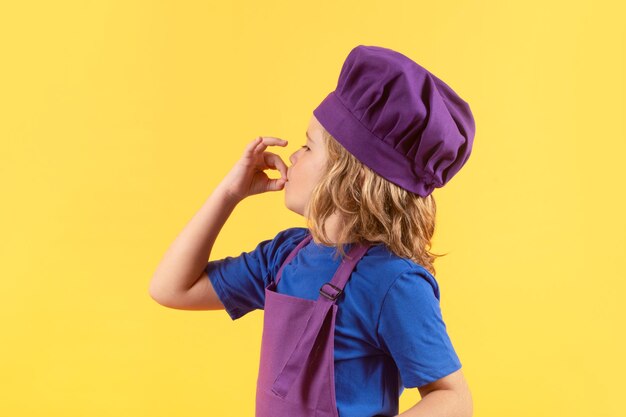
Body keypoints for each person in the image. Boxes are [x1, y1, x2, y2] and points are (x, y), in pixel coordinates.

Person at [149, 45, 475, 417]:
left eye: (307, 145)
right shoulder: (284, 256)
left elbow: (453, 398)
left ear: (349, 176)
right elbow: (171, 288)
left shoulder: (394, 281)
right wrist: (228, 194)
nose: (293, 156)